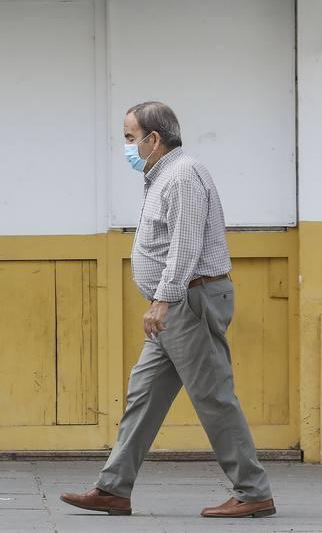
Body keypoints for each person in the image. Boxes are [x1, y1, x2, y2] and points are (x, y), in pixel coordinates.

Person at [61, 101, 275, 519]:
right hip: (179, 303)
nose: (126, 146)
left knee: (213, 396)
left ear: (153, 139)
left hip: (187, 302)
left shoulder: (181, 176)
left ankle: (253, 491)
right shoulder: (162, 175)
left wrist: (163, 300)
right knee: (143, 396)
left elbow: (186, 245)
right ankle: (113, 489)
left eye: (129, 138)